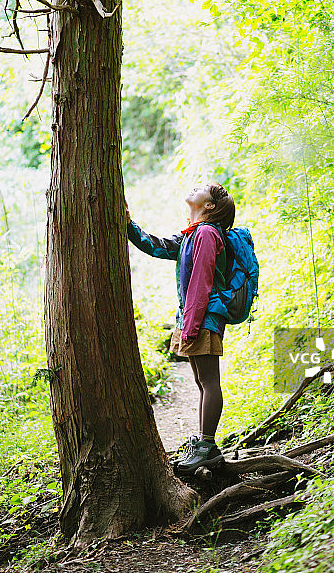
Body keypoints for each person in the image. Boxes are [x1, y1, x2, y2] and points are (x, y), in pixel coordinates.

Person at [125, 182, 235, 473]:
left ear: (209, 205)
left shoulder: (208, 234)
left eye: (203, 188)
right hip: (197, 315)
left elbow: (202, 282)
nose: (194, 187)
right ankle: (202, 445)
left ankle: (208, 446)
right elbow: (157, 247)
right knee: (201, 381)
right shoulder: (192, 234)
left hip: (205, 315)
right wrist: (128, 225)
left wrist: (191, 325)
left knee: (209, 381)